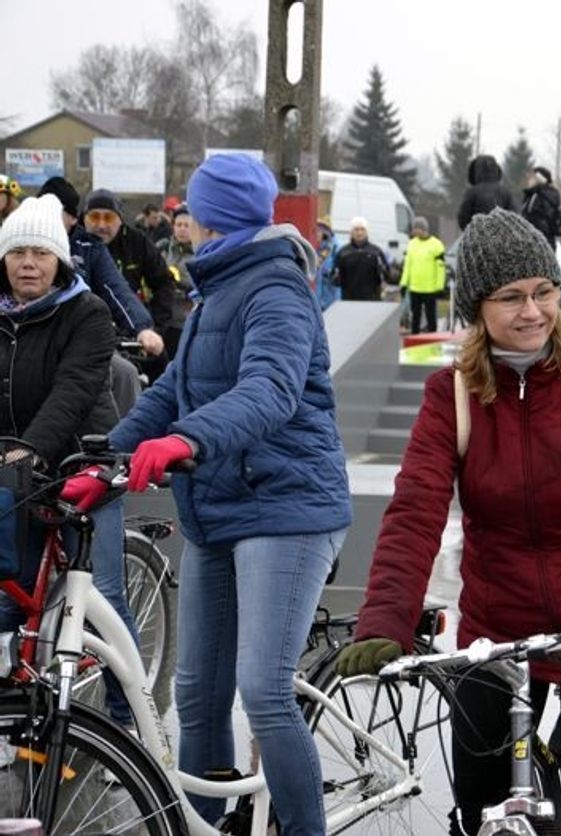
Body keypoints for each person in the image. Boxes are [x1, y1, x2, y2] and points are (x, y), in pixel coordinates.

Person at [336, 208, 561, 836]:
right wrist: (386, 615)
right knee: (481, 809)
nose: (533, 311)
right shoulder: (452, 395)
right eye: (511, 297)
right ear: (476, 310)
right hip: (497, 632)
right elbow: (416, 508)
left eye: (544, 292)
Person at [72, 154, 353, 836]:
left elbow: (269, 392)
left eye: (192, 212)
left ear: (215, 217)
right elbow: (175, 388)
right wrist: (109, 454)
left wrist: (186, 442)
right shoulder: (217, 289)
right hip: (219, 508)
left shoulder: (276, 290)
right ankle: (201, 824)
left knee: (262, 689)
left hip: (285, 508)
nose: (184, 223)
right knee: (196, 695)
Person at [0, 194, 142, 730]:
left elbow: (73, 392)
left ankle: (128, 721)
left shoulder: (88, 312)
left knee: (102, 596)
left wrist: (26, 451)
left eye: (40, 252)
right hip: (14, 469)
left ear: (59, 259)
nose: (28, 263)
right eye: (17, 253)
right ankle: (14, 714)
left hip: (83, 464)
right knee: (10, 597)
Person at [37, 176, 166, 414]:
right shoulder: (17, 238)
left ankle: (123, 447)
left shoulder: (88, 247)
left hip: (77, 339)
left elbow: (116, 289)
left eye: (54, 212)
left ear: (73, 218)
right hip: (24, 337)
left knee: (125, 373)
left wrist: (142, 328)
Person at [83, 188, 175, 381]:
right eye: (94, 218)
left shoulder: (137, 241)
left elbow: (163, 282)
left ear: (120, 220)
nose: (101, 225)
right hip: (85, 328)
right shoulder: (75, 243)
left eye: (108, 218)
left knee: (161, 364)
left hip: (130, 327)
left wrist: (155, 326)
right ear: (83, 218)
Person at [156, 204, 195, 355]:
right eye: (179, 224)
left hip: (186, 321)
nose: (182, 229)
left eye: (187, 225)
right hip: (162, 319)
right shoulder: (162, 248)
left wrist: (180, 283)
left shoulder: (202, 252)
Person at [400, 216, 446, 333]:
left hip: (430, 289)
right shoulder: (411, 244)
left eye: (415, 229)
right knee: (415, 317)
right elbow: (407, 266)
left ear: (422, 229)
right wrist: (404, 283)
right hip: (415, 288)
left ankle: (433, 340)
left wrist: (439, 286)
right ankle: (414, 340)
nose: (413, 232)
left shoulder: (436, 245)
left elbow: (440, 268)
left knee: (431, 317)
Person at [332, 216, 390, 301]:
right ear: (351, 232)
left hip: (372, 300)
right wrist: (336, 277)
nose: (359, 233)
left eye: (362, 229)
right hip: (349, 301)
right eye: (356, 229)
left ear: (367, 232)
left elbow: (387, 275)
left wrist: (383, 273)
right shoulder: (343, 253)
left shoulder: (376, 252)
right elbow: (334, 278)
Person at [457, 154, 515, 230]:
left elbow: (463, 219)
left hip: (478, 236)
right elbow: (514, 217)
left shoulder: (472, 192)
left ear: (476, 171)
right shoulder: (505, 192)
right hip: (501, 237)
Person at [519, 165, 561, 249]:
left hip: (537, 244)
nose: (529, 180)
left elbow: (537, 221)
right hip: (546, 243)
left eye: (532, 177)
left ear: (539, 179)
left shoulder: (539, 197)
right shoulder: (538, 195)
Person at [313, 217, 340, 311]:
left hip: (330, 303)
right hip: (311, 303)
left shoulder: (335, 249)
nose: (317, 233)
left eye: (320, 230)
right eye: (315, 230)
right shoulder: (309, 249)